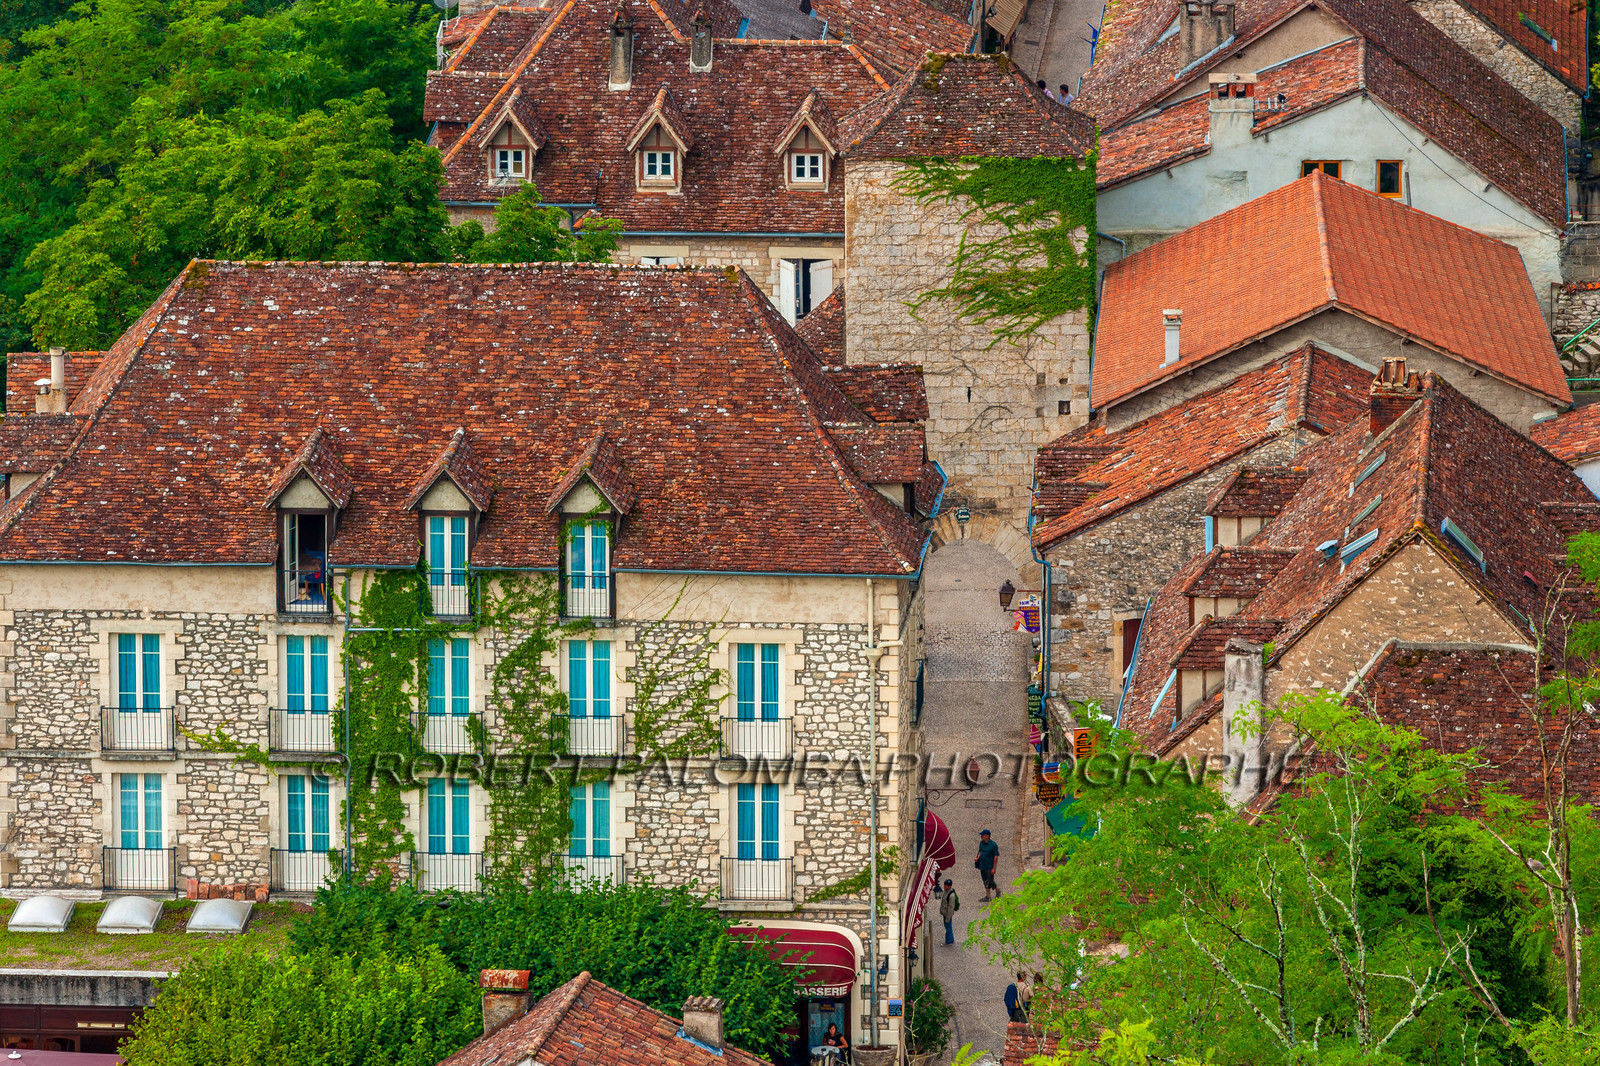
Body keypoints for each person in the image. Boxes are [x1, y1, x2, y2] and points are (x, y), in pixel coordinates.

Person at [976, 828, 1000, 901]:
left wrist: (994, 868)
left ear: (987, 836)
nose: (981, 836)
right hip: (982, 865)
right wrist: (977, 858)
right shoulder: (981, 843)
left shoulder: (993, 845)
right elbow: (980, 851)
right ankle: (988, 896)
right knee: (985, 881)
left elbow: (996, 856)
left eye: (983, 835)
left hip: (989, 866)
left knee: (990, 881)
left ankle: (997, 890)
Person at [938, 877, 959, 944]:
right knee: (947, 927)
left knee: (948, 927)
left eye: (945, 885)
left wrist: (948, 917)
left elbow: (951, 907)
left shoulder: (951, 896)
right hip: (945, 913)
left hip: (947, 914)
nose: (944, 886)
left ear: (949, 886)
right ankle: (950, 939)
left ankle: (949, 941)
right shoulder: (946, 891)